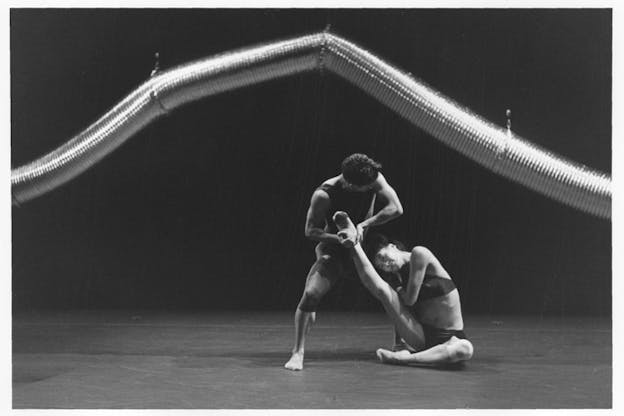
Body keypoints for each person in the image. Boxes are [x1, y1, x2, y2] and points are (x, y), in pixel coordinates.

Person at [284, 154, 403, 371]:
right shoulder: (324, 194)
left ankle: (400, 343)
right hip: (336, 247)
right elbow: (310, 231)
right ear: (348, 184)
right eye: (364, 188)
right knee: (311, 294)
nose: (370, 189)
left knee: (396, 277)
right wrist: (340, 238)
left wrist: (365, 224)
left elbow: (396, 208)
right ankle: (298, 351)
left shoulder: (373, 177)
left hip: (365, 242)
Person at [332, 211, 474, 366]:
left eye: (383, 257)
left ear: (392, 246)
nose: (386, 265)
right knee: (383, 291)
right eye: (382, 266)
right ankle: (353, 243)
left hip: (452, 335)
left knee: (465, 349)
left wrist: (399, 288)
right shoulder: (397, 278)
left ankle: (406, 359)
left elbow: (410, 300)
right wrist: (399, 344)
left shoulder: (420, 253)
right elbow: (402, 311)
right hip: (422, 335)